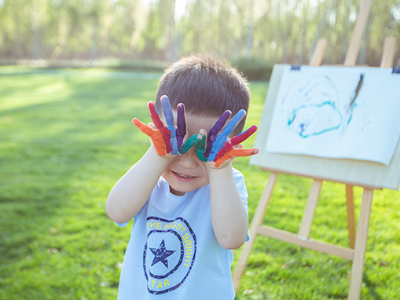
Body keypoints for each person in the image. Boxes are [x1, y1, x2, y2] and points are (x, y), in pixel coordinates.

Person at [106, 54, 259, 299]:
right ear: (157, 132)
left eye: (206, 148)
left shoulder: (228, 182)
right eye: (178, 141)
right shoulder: (150, 178)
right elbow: (116, 210)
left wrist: (218, 168)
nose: (187, 161)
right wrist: (160, 156)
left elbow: (232, 238)